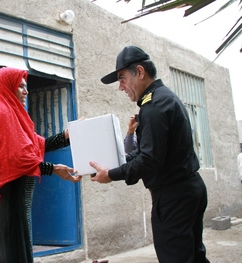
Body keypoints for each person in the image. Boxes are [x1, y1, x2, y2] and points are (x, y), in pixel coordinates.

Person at [90, 46, 210, 263]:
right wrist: (117, 162)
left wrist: (111, 174)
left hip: (173, 196)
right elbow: (151, 150)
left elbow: (150, 159)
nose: (121, 87)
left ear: (140, 72)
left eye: (122, 79)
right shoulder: (164, 98)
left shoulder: (153, 105)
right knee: (195, 256)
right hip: (189, 189)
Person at [0, 67, 82, 263]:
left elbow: (37, 145)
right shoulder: (3, 114)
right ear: (8, 86)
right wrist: (53, 169)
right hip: (9, 201)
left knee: (16, 252)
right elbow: (18, 159)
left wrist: (68, 135)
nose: (26, 92)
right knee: (11, 254)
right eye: (21, 86)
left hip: (16, 200)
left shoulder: (13, 115)